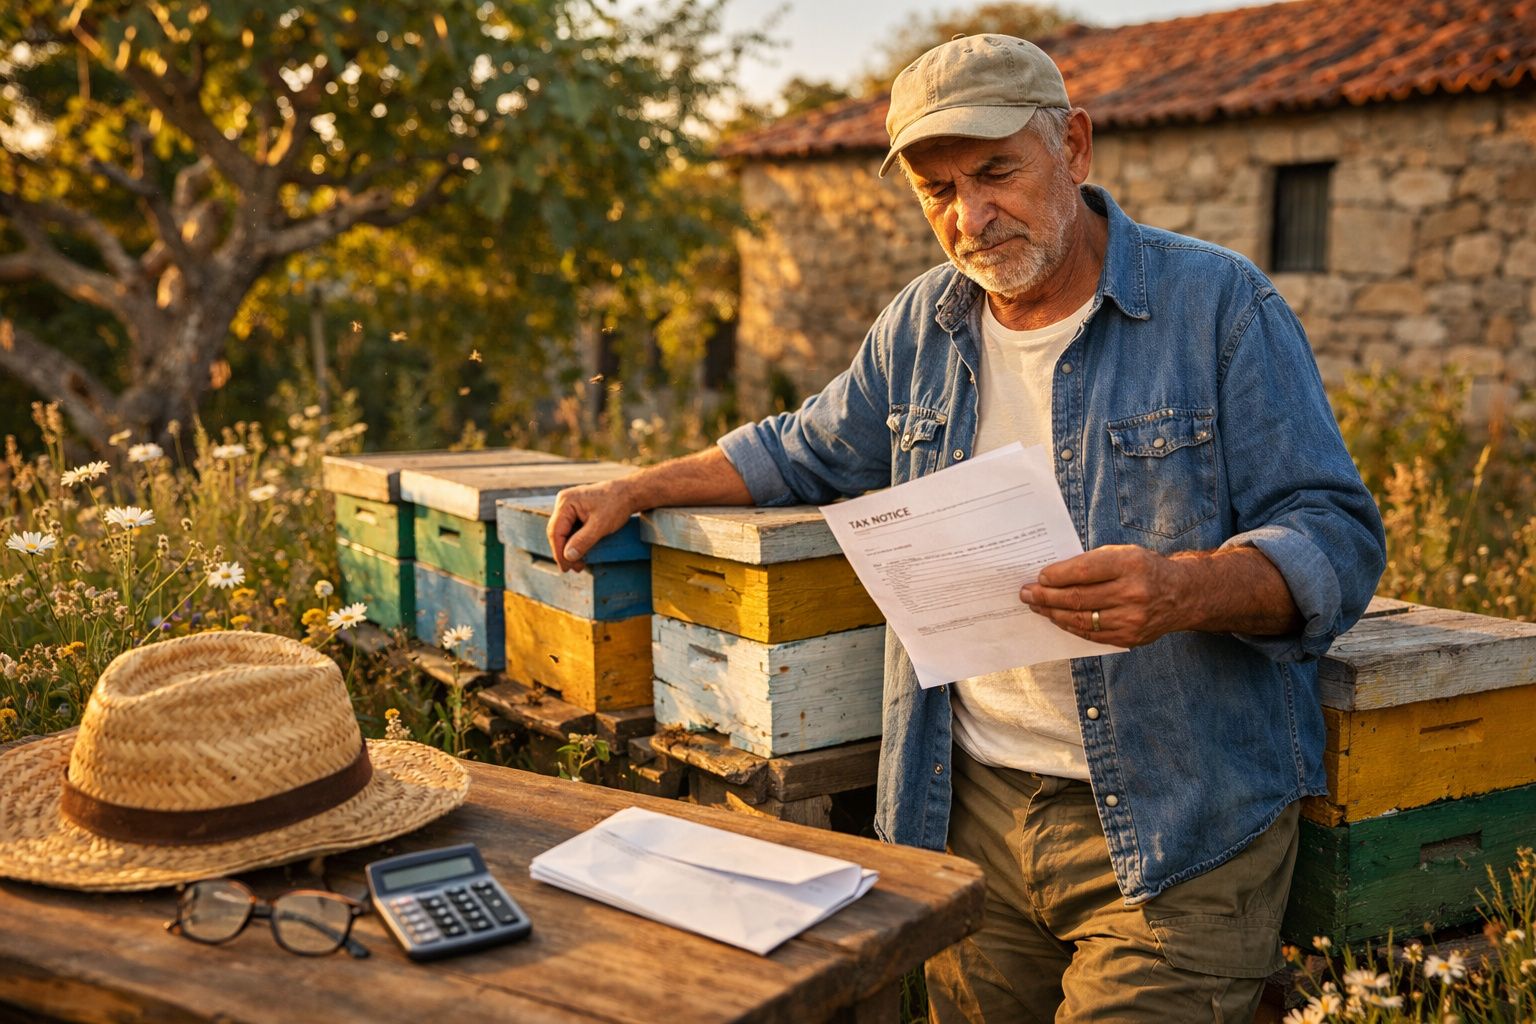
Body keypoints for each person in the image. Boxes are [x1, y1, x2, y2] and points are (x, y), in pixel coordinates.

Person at [549, 33, 1386, 1023]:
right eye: (936, 190)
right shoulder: (921, 325)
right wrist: (638, 487)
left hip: (1180, 823)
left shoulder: (1219, 305)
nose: (970, 216)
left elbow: (1335, 533)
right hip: (970, 807)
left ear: (1073, 147)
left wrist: (1181, 590)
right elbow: (800, 450)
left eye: (996, 171)